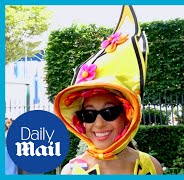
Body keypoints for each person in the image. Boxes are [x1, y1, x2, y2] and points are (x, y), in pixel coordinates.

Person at [53, 5, 163, 175]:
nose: (98, 123)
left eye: (109, 112)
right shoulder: (72, 172)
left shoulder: (151, 166)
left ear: (127, 115)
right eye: (88, 115)